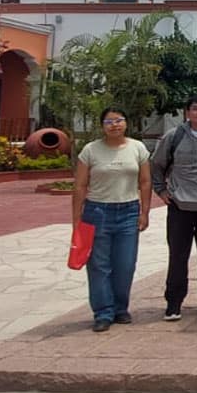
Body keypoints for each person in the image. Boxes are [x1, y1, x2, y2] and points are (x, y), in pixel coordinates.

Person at [73, 107, 151, 332]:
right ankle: (103, 312)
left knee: (125, 264)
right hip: (97, 211)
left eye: (119, 120)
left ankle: (120, 308)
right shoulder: (90, 150)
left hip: (128, 211)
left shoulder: (137, 148)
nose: (114, 125)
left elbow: (145, 182)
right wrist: (76, 220)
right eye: (109, 121)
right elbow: (79, 185)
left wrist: (144, 211)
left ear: (126, 123)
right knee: (99, 265)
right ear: (102, 126)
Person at [151, 96, 197, 322]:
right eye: (195, 109)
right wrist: (161, 191)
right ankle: (174, 303)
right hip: (179, 207)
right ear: (187, 112)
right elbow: (157, 165)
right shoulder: (174, 137)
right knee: (177, 256)